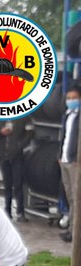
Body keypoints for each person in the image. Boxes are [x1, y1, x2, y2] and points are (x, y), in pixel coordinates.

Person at [0, 117, 33, 221]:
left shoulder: (23, 117)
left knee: (18, 184)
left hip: (17, 156)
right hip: (3, 155)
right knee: (7, 185)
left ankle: (20, 212)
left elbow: (30, 132)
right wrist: (1, 133)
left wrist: (19, 145)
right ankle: (7, 211)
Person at [58, 84, 81, 243]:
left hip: (75, 162)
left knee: (77, 197)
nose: (71, 101)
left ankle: (75, 232)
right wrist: (60, 155)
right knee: (70, 198)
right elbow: (64, 137)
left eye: (74, 98)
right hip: (64, 161)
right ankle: (72, 229)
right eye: (69, 98)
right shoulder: (67, 115)